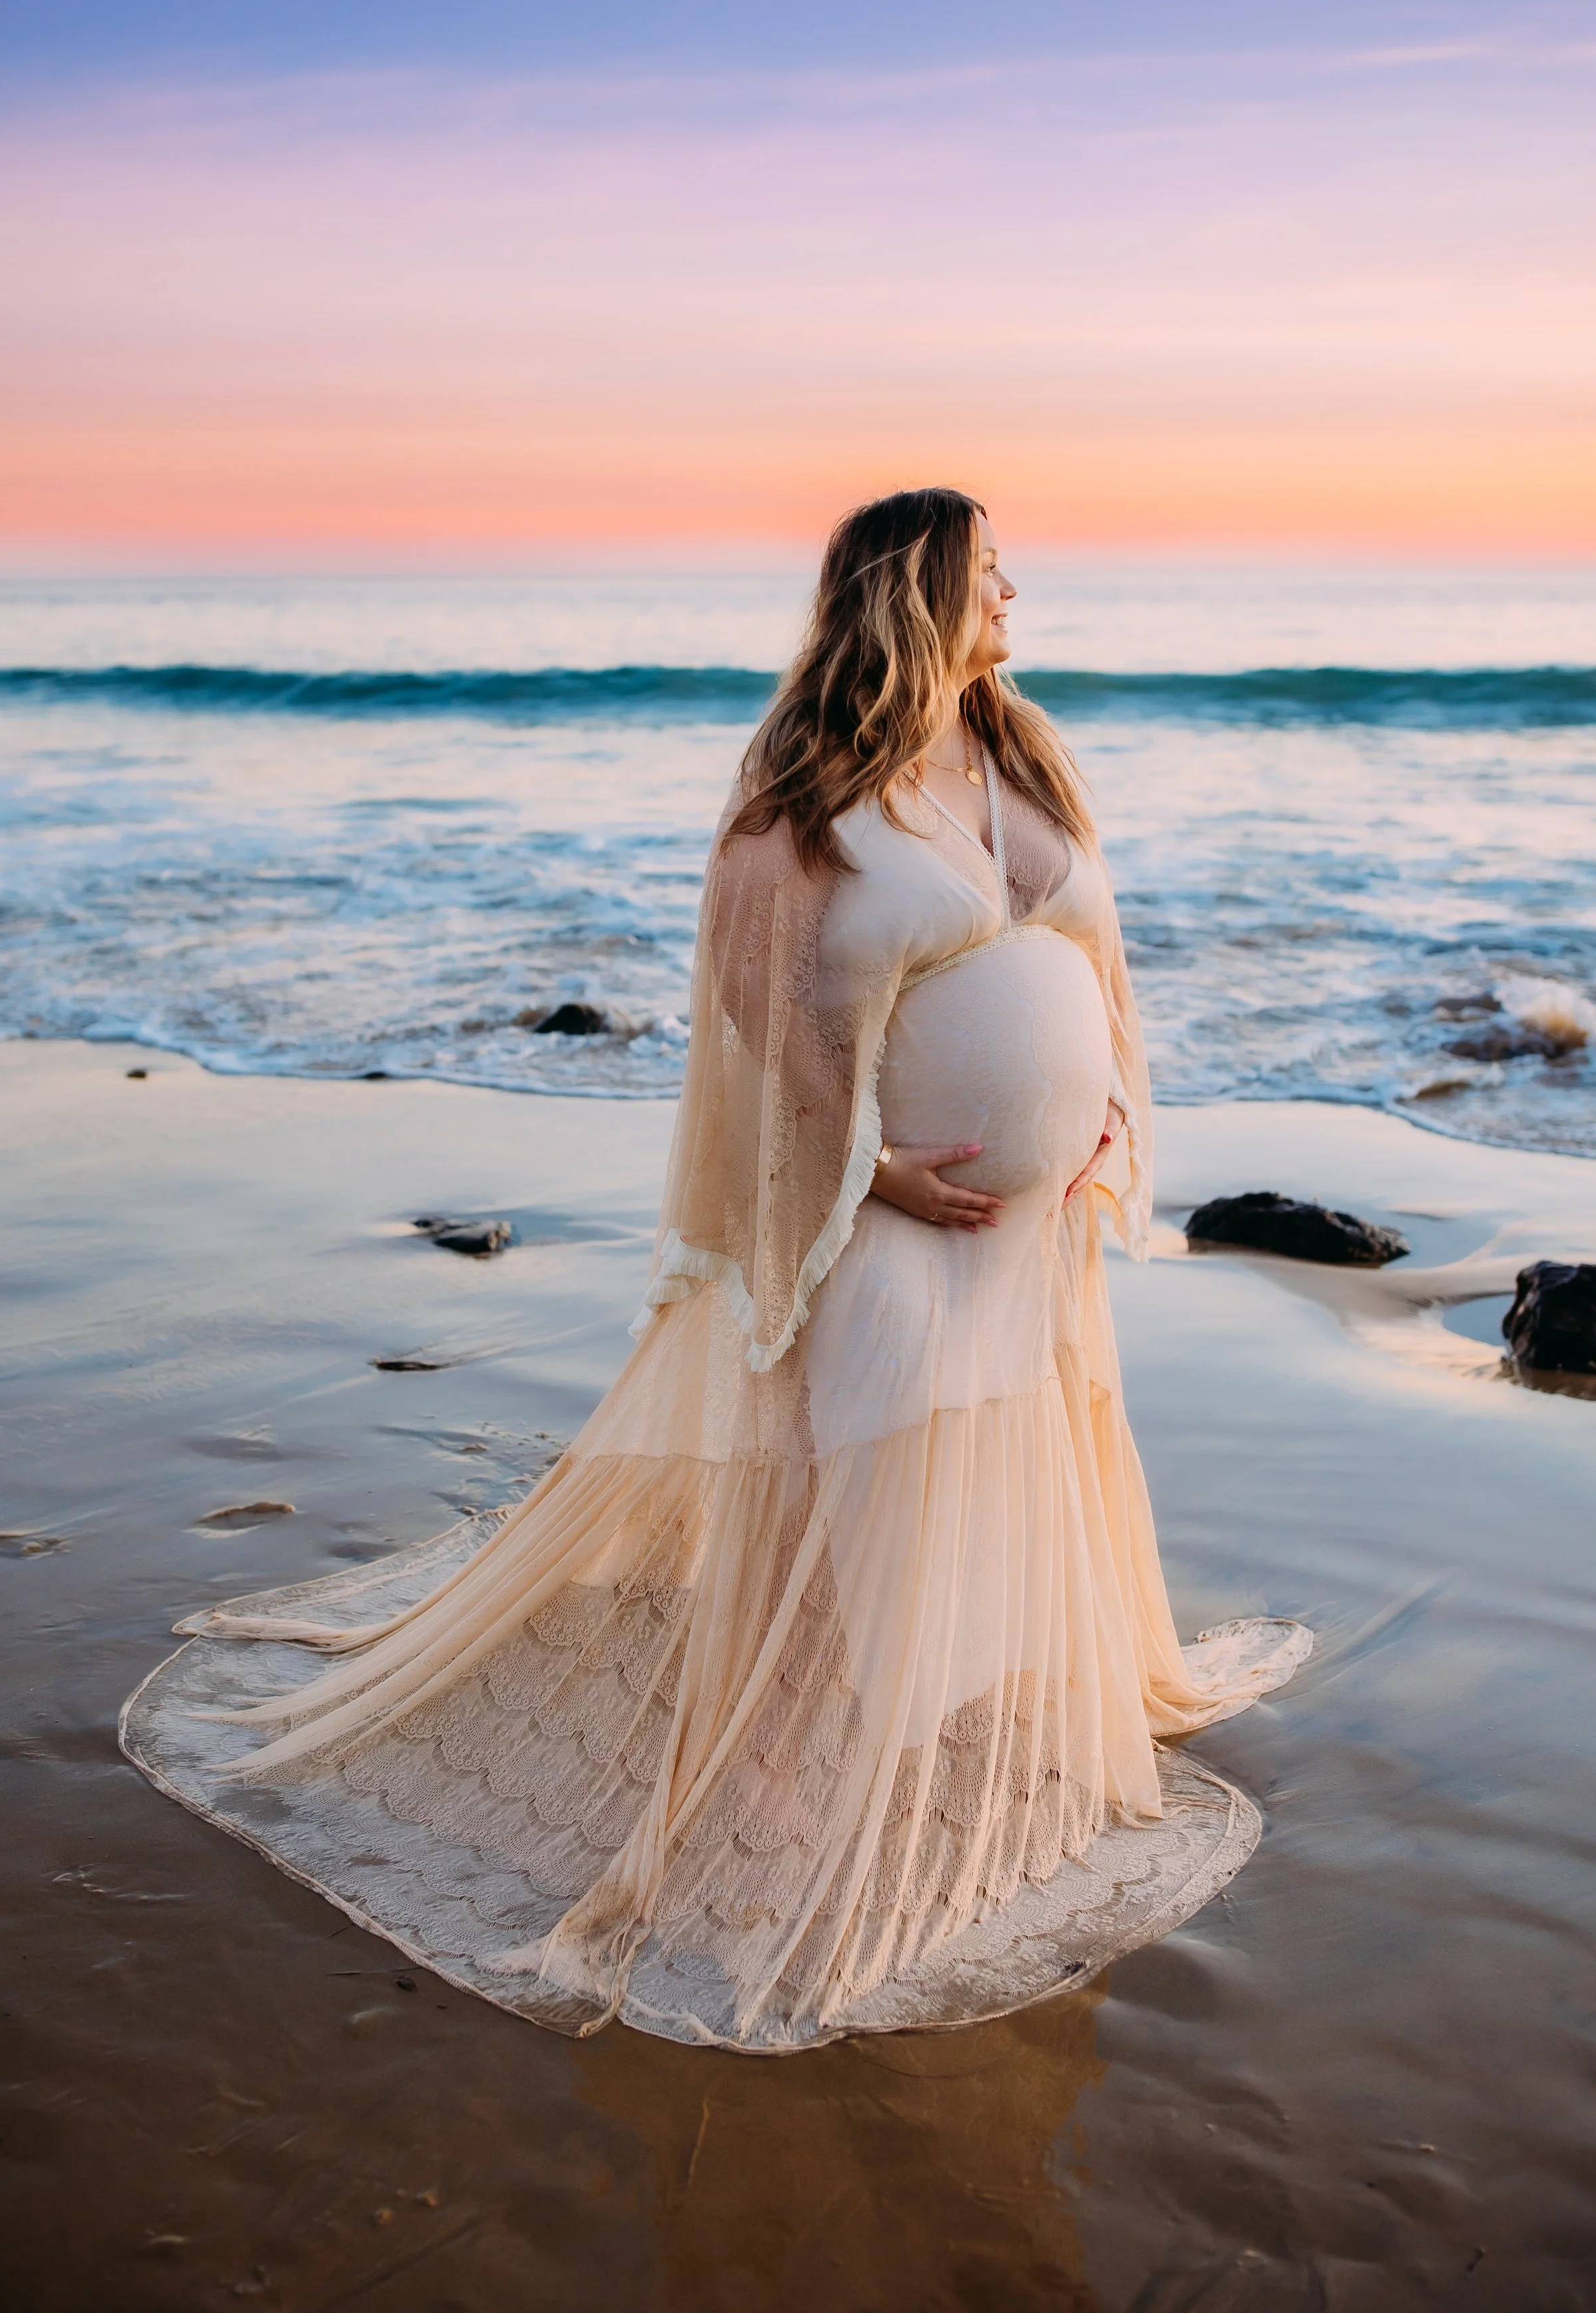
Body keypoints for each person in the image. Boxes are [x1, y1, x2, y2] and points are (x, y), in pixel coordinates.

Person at [122, 487, 1309, 2052]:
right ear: (917, 588)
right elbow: (756, 1013)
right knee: (848, 1478)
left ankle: (913, 1730)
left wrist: (1099, 1124)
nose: (1016, 588)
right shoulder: (805, 788)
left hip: (1029, 1227)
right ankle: (775, 1779)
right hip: (878, 1215)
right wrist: (860, 1166)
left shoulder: (1024, 752)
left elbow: (1091, 963)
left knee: (1010, 1449)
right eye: (988, 566)